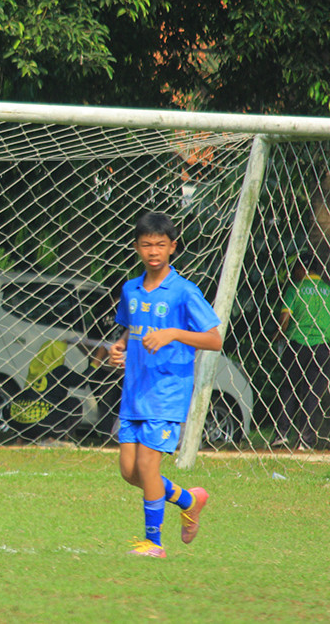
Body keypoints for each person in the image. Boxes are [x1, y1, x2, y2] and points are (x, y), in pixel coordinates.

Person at [108, 212, 222, 558]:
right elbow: (133, 326)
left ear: (172, 247)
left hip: (168, 391)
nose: (153, 251)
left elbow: (214, 339)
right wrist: (120, 347)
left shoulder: (184, 291)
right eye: (146, 245)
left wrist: (173, 333)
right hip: (135, 392)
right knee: (129, 471)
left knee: (148, 466)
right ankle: (189, 500)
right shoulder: (130, 288)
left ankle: (154, 542)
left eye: (160, 245)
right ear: (136, 247)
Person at [273, 250, 330, 450]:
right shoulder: (327, 291)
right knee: (313, 392)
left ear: (301, 269)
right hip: (322, 347)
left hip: (297, 344)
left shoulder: (294, 289)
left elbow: (284, 321)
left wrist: (276, 336)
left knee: (289, 388)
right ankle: (305, 440)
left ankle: (281, 434)